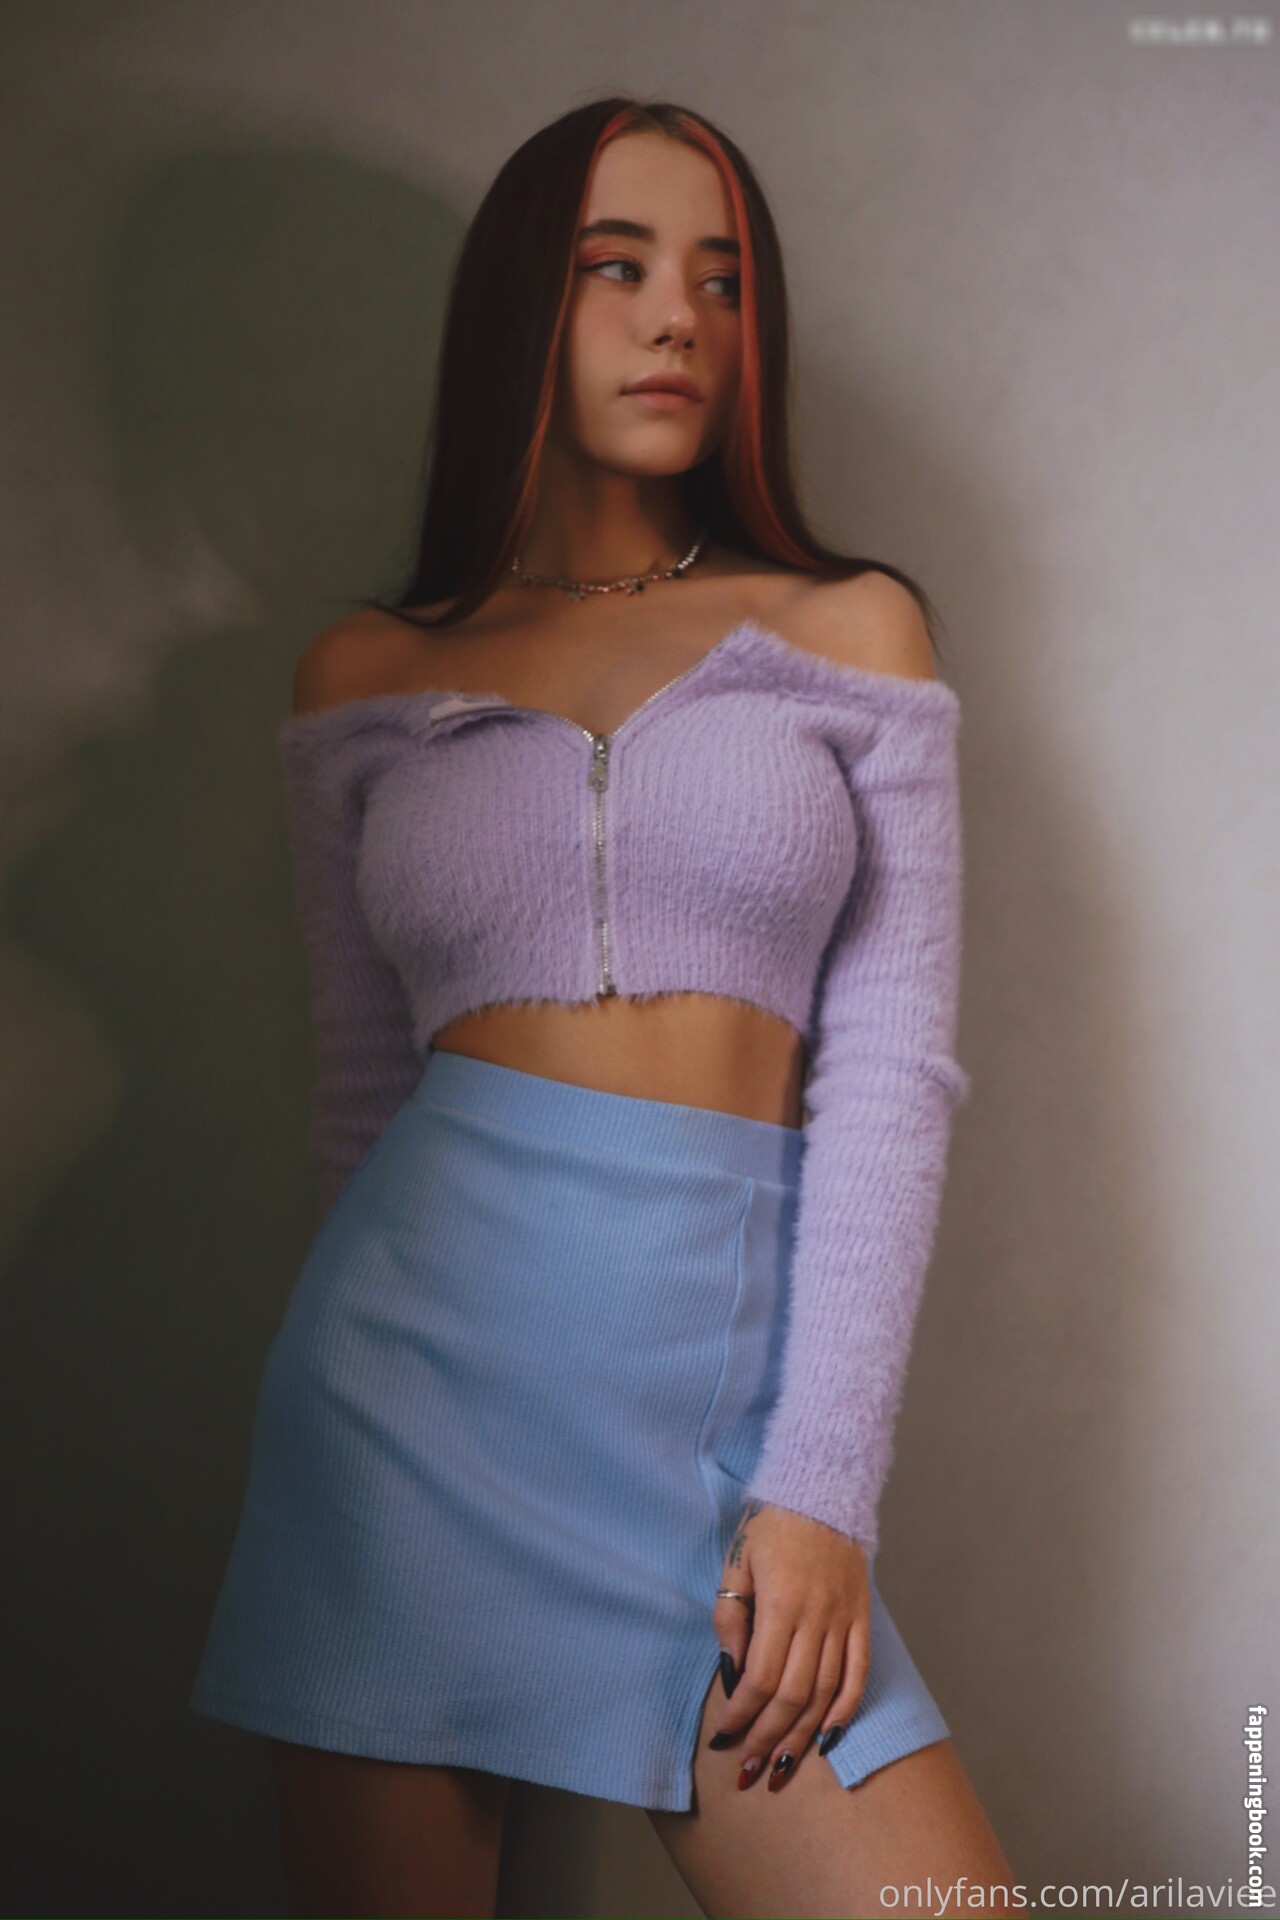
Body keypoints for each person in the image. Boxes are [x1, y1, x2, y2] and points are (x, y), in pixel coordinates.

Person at [190, 96, 1016, 1918]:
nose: (676, 321)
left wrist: (821, 1491)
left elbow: (890, 1076)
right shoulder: (368, 673)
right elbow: (359, 1105)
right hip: (398, 1422)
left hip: (715, 1430)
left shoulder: (850, 631)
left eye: (721, 281)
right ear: (522, 306)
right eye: (614, 267)